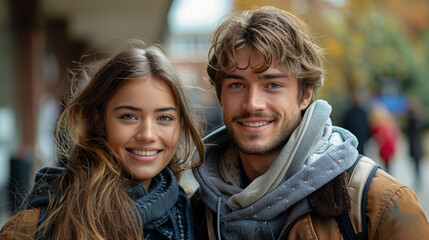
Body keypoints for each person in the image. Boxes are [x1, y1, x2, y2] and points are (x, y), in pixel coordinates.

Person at [191, 6, 429, 239]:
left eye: (272, 85)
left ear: (306, 95)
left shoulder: (380, 204)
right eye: (237, 85)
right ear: (220, 95)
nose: (253, 104)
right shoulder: (198, 210)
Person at [0, 40, 205, 240]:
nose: (148, 135)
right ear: (99, 121)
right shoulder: (42, 220)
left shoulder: (197, 214)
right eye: (129, 116)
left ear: (179, 125)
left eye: (164, 118)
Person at [342, 88, 371, 154]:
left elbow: (368, 128)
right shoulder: (348, 113)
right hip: (351, 145)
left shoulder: (364, 113)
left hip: (362, 145)